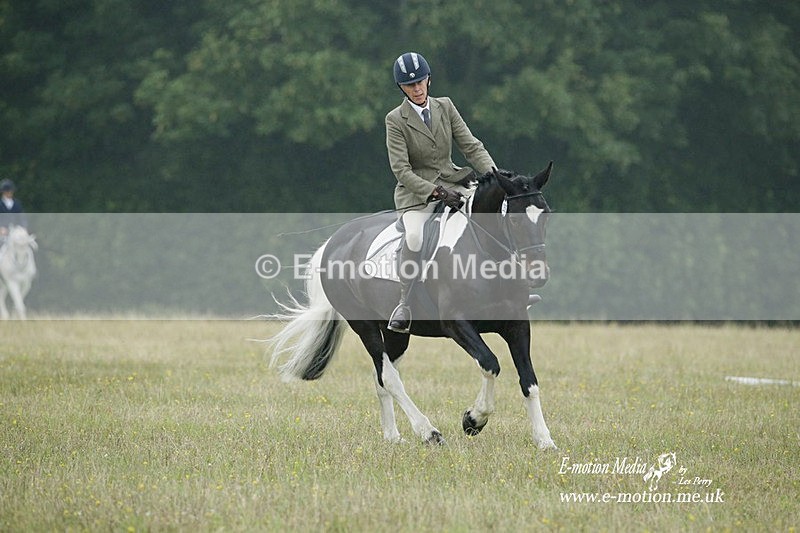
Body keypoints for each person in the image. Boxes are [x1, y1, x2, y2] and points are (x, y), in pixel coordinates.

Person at [385, 52, 497, 333]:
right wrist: (434, 191)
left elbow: (471, 146)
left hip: (454, 181)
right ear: (402, 88)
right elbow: (402, 170)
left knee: (492, 214)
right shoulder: (395, 120)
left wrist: (496, 177)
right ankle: (405, 302)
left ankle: (509, 289)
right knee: (414, 235)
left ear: (429, 79)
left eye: (421, 82)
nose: (418, 89)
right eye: (411, 85)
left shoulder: (445, 107)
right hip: (416, 194)